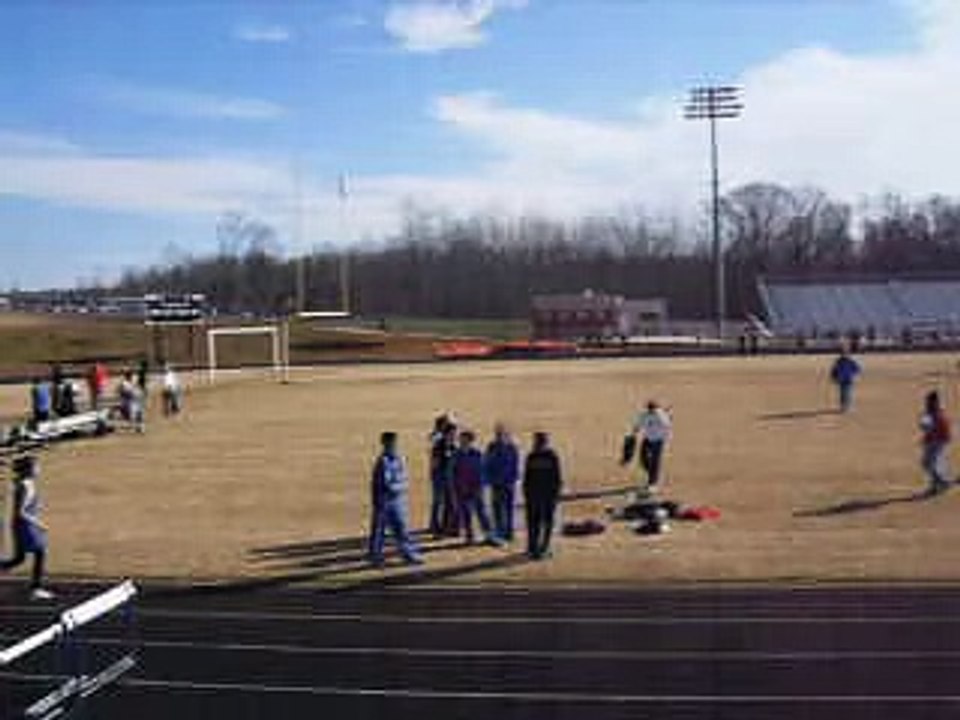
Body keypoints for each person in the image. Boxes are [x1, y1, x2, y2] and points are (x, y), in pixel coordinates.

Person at [1, 455, 54, 600]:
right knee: (40, 553)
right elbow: (20, 512)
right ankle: (36, 589)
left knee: (19, 559)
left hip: (23, 524)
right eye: (36, 467)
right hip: (25, 526)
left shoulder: (27, 483)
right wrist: (39, 524)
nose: (39, 469)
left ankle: (35, 588)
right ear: (29, 469)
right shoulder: (25, 486)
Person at [368, 432, 423, 566]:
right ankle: (376, 557)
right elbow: (387, 483)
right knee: (379, 531)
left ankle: (408, 554)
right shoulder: (383, 461)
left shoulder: (399, 458)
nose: (393, 445)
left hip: (397, 500)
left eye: (394, 443)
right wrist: (401, 486)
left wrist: (401, 486)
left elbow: (404, 477)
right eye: (391, 443)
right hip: (384, 500)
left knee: (401, 528)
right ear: (384, 444)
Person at [454, 429, 500, 546]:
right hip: (462, 489)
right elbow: (452, 473)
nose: (462, 442)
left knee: (482, 513)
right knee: (467, 514)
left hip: (476, 488)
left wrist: (481, 485)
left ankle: (489, 536)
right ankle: (469, 537)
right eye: (461, 440)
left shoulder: (477, 454)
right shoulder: (456, 455)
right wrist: (455, 488)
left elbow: (482, 471)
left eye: (465, 440)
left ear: (471, 441)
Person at [523, 431, 562, 560]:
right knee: (539, 523)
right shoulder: (538, 456)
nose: (538, 445)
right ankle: (536, 548)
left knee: (540, 523)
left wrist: (554, 495)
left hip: (542, 496)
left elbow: (556, 478)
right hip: (539, 496)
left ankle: (539, 548)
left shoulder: (538, 456)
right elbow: (527, 478)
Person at [626, 401, 673, 495]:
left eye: (652, 410)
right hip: (647, 439)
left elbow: (667, 427)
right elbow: (638, 424)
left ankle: (653, 484)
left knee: (655, 461)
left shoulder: (661, 416)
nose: (651, 411)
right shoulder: (645, 414)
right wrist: (633, 434)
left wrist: (665, 438)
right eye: (649, 409)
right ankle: (651, 472)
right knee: (643, 459)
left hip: (658, 441)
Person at [484, 423, 520, 542]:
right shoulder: (491, 447)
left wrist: (514, 478)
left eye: (501, 433)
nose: (499, 436)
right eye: (497, 433)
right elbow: (487, 463)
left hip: (508, 483)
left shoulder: (512, 447)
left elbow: (516, 464)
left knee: (509, 508)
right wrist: (488, 480)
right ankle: (500, 531)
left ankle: (509, 532)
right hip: (496, 483)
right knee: (497, 509)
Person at [429, 418, 459, 537]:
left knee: (449, 503)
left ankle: (446, 527)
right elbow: (434, 464)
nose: (454, 435)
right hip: (440, 478)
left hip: (450, 479)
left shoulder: (454, 446)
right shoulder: (438, 446)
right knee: (439, 502)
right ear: (446, 433)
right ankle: (435, 527)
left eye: (454, 433)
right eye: (452, 433)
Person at [920, 390, 951, 495]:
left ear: (934, 401)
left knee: (928, 463)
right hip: (935, 441)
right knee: (929, 463)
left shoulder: (937, 413)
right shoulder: (931, 411)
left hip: (937, 441)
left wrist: (927, 431)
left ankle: (942, 482)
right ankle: (936, 486)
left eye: (929, 400)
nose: (927, 402)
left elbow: (933, 428)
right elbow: (926, 427)